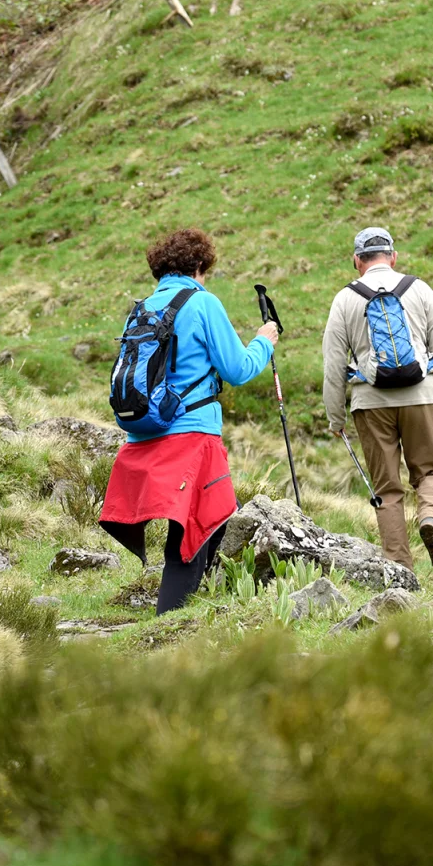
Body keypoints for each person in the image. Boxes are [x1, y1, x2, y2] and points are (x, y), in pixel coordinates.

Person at [100, 228, 278, 614]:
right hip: (192, 436)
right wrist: (265, 340)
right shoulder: (203, 303)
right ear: (199, 265)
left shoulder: (143, 306)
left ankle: (203, 608)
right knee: (192, 535)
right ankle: (169, 628)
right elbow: (238, 369)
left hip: (143, 432)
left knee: (217, 518)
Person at [322, 226, 433, 572]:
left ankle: (399, 565)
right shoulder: (420, 289)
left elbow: (333, 365)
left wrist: (335, 418)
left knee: (386, 488)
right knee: (430, 471)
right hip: (423, 396)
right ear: (393, 257)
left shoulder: (345, 299)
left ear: (357, 261)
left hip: (371, 404)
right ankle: (431, 517)